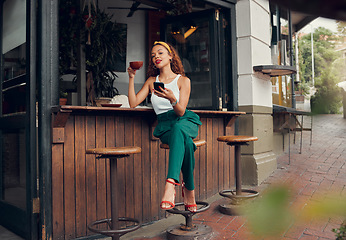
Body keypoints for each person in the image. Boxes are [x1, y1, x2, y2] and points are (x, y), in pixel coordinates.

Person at [127, 41, 202, 212]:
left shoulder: (183, 81)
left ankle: (170, 185)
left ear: (170, 56)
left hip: (184, 121)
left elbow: (181, 111)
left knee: (179, 129)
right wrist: (131, 78)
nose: (156, 57)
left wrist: (172, 99)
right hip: (165, 126)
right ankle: (189, 189)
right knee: (187, 144)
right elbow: (133, 103)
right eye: (153, 55)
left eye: (160, 53)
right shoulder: (151, 81)